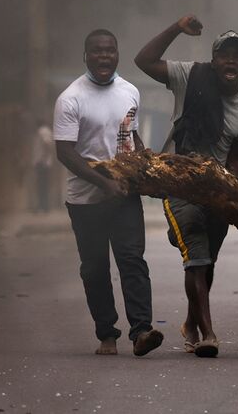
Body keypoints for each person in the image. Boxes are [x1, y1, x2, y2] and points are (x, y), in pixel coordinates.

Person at [135, 15, 238, 357]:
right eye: (225, 55)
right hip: (178, 180)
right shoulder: (189, 75)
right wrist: (175, 27)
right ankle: (207, 334)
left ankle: (191, 323)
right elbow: (143, 61)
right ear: (214, 60)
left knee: (206, 261)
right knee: (197, 251)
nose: (231, 61)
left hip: (216, 188)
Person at [53, 29, 163, 357]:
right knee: (95, 267)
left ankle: (142, 330)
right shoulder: (71, 98)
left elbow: (129, 135)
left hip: (125, 194)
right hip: (86, 200)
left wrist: (148, 166)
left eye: (109, 51)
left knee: (132, 261)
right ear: (85, 56)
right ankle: (107, 334)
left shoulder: (129, 91)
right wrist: (104, 183)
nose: (104, 56)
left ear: (117, 54)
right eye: (97, 51)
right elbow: (65, 152)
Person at [32, 120, 55, 212]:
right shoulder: (47, 131)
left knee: (41, 185)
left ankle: (43, 206)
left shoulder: (42, 131)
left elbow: (47, 144)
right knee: (43, 185)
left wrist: (43, 159)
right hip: (44, 162)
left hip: (42, 163)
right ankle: (44, 206)